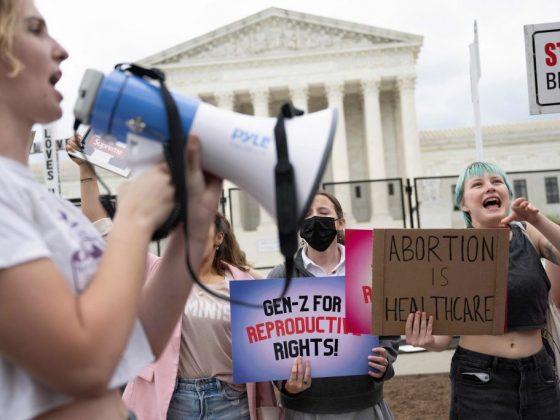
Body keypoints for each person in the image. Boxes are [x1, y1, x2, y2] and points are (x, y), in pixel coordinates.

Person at [0, 1, 222, 419]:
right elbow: (83, 364)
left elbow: (135, 344)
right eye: (35, 30)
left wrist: (194, 230)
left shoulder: (41, 203)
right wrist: (134, 218)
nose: (61, 49)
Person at [406, 161, 560, 419]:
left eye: (497, 182)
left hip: (539, 377)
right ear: (464, 204)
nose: (490, 187)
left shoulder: (529, 234)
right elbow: (443, 338)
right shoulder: (451, 251)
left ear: (507, 194)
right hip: (480, 380)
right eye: (477, 184)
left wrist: (536, 219)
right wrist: (427, 340)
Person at [122, 212, 279, 420]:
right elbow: (111, 238)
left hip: (231, 402)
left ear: (219, 238)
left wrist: (244, 270)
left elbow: (279, 302)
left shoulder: (240, 283)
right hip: (176, 401)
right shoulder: (161, 272)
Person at [267, 190, 399, 420]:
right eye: (307, 214)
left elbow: (389, 330)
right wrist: (286, 385)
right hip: (304, 409)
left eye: (323, 212)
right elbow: (268, 345)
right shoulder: (280, 277)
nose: (315, 218)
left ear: (340, 223)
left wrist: (384, 360)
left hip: (364, 404)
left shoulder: (369, 268)